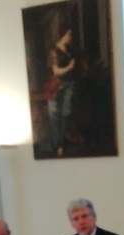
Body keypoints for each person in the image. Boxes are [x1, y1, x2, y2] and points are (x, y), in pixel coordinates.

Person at [47, 28, 78, 157]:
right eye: (68, 35)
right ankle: (58, 144)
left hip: (70, 84)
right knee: (55, 115)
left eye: (71, 35)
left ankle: (64, 141)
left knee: (66, 113)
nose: (70, 38)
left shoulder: (70, 50)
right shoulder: (54, 52)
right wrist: (69, 67)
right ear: (62, 36)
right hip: (57, 86)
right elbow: (56, 71)